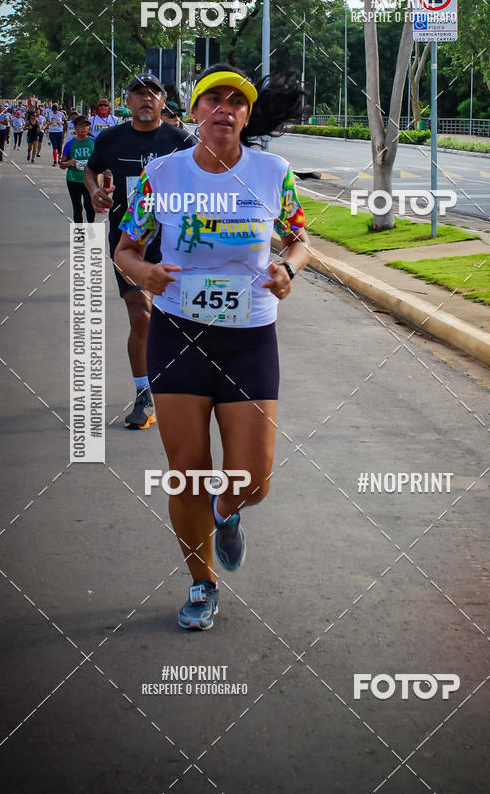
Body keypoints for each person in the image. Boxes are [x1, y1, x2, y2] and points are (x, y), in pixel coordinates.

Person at [114, 63, 308, 631]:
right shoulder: (163, 175)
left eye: (237, 103)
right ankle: (202, 583)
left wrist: (288, 269)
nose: (226, 109)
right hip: (178, 336)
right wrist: (142, 273)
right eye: (213, 100)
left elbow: (299, 239)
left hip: (250, 337)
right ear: (194, 112)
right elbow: (127, 248)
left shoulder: (272, 172)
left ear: (247, 117)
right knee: (188, 470)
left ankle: (226, 514)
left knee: (254, 480)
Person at [84, 73, 197, 429]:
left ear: (164, 102)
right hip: (127, 241)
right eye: (138, 93)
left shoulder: (182, 141)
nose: (146, 98)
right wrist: (94, 192)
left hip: (176, 243)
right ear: (127, 102)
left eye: (153, 93)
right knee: (140, 313)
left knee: (175, 317)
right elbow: (91, 170)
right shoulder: (111, 138)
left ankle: (180, 385)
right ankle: (144, 394)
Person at [60, 115, 95, 223]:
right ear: (75, 128)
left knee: (89, 206)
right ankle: (79, 236)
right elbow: (61, 165)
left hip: (89, 180)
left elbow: (101, 160)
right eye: (81, 126)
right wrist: (69, 163)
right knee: (77, 208)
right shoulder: (70, 144)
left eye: (86, 126)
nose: (84, 128)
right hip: (73, 180)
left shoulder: (94, 142)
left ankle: (91, 231)